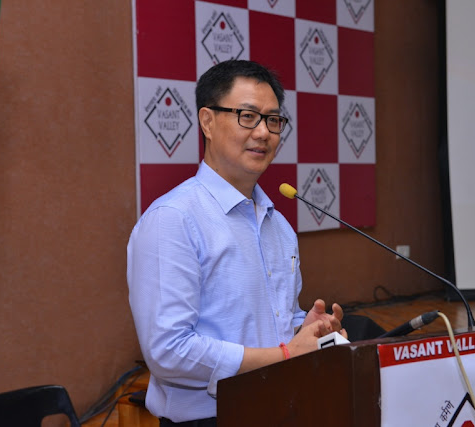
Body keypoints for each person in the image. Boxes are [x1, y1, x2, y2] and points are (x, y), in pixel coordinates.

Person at [127, 60, 347, 426]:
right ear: (208, 122)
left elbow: (275, 322)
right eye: (248, 116)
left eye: (274, 120)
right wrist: (286, 354)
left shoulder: (278, 226)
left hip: (283, 409)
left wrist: (304, 330)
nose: (263, 132)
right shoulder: (174, 219)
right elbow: (169, 352)